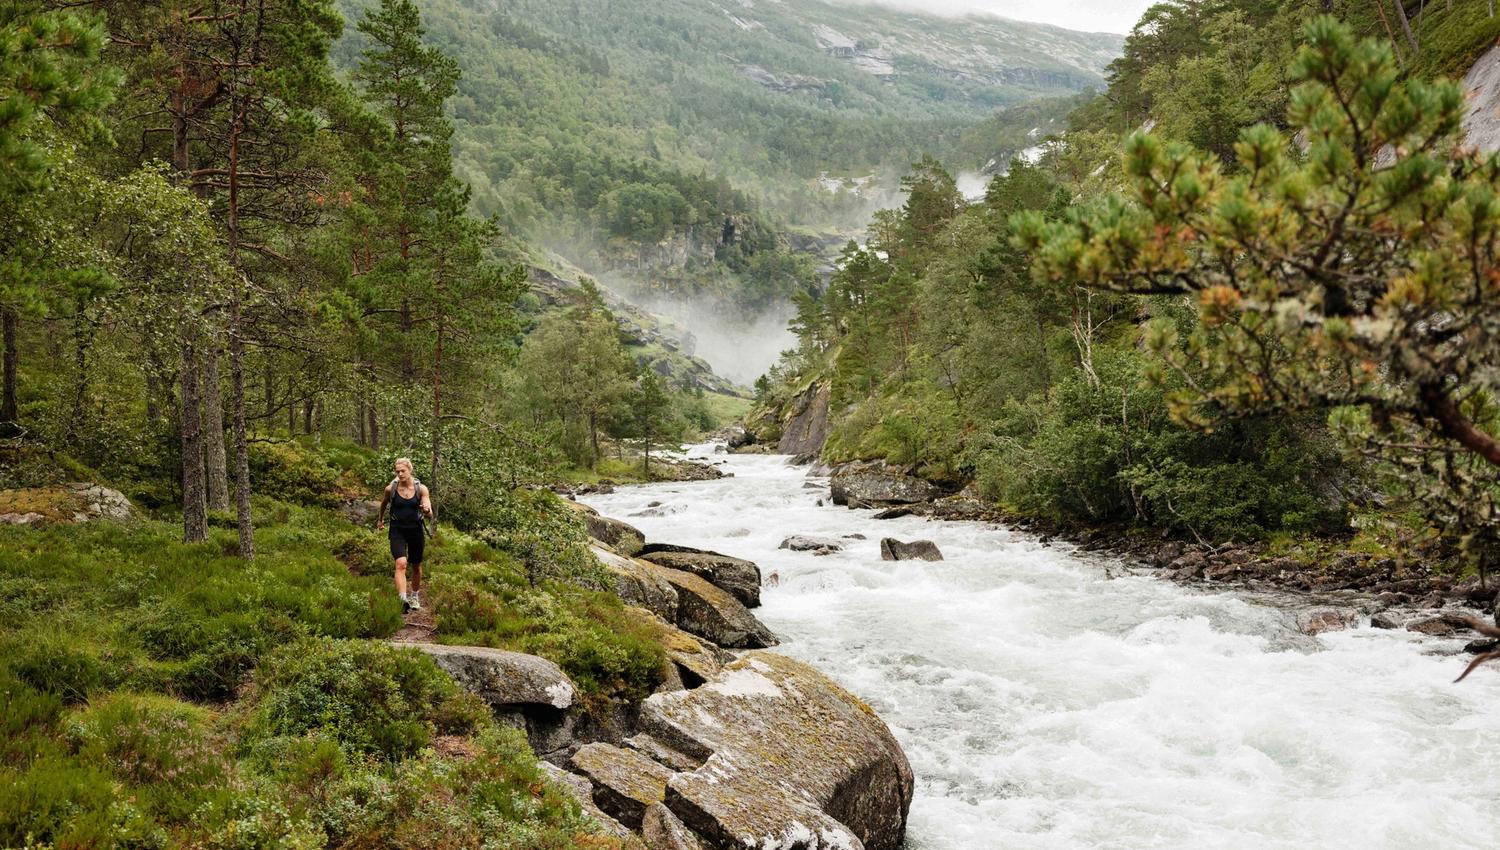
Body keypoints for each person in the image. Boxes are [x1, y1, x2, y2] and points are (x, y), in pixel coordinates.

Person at [376, 458, 432, 613]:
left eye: (403, 471)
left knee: (416, 565)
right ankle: (402, 601)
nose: (400, 474)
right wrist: (380, 520)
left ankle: (414, 596)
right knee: (400, 563)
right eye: (397, 471)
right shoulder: (391, 489)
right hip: (397, 529)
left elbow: (430, 512)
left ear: (410, 470)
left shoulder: (421, 489)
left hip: (415, 530)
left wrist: (426, 510)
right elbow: (383, 504)